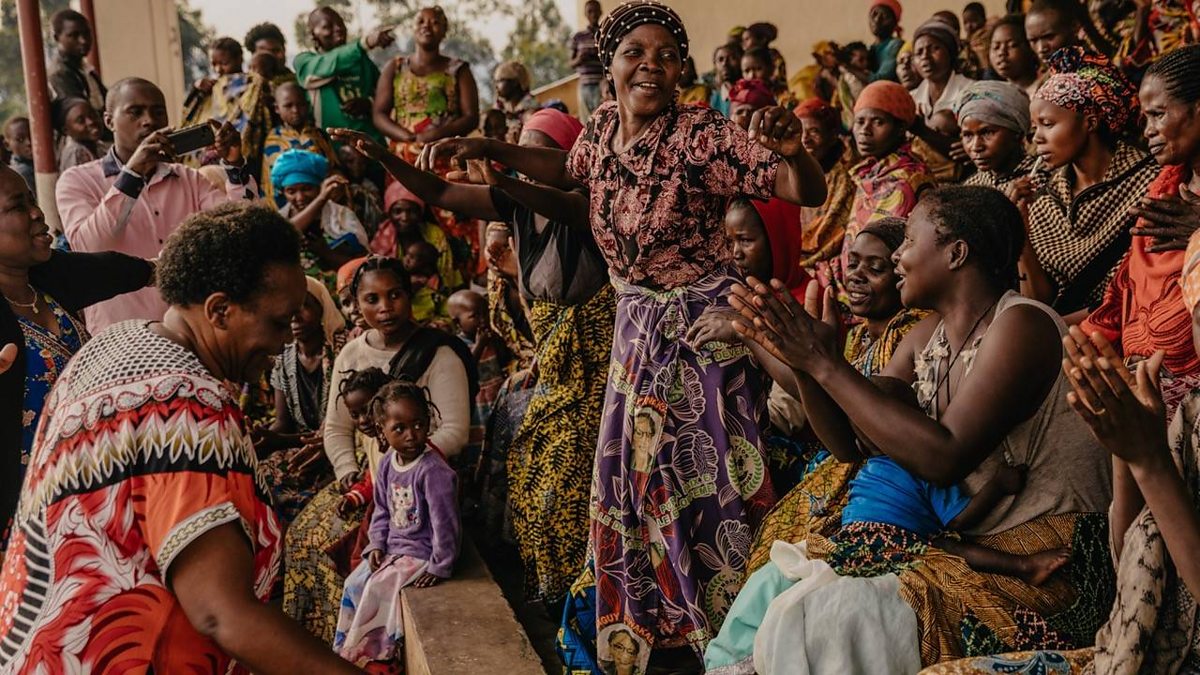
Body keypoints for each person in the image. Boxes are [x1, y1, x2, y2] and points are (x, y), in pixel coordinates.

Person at [419, 2, 827, 668]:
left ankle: (727, 635)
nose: (652, 66)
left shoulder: (701, 134)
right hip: (635, 329)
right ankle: (654, 624)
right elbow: (569, 170)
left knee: (703, 481)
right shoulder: (603, 125)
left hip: (702, 334)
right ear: (608, 63)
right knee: (633, 481)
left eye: (667, 55)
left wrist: (795, 151)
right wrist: (494, 150)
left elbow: (794, 186)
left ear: (681, 69)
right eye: (635, 51)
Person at [722, 186, 1113, 670]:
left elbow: (942, 459)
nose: (900, 255)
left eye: (907, 240)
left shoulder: (1023, 325)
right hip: (962, 544)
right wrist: (805, 365)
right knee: (780, 588)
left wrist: (823, 364)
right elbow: (851, 444)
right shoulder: (926, 334)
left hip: (1046, 560)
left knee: (827, 616)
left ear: (956, 253)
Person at [0, 201, 362, 673]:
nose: (286, 341)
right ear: (219, 310)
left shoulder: (117, 344)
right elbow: (220, 613)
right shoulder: (186, 405)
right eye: (277, 322)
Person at [336, 107, 614, 603]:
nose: (528, 163)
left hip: (602, 380)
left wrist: (495, 161)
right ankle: (557, 601)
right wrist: (384, 157)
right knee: (525, 472)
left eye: (539, 152)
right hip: (559, 380)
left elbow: (517, 190)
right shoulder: (519, 210)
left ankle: (590, 598)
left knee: (558, 482)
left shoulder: (585, 205)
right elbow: (440, 193)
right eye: (521, 149)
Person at [921, 194, 1200, 675]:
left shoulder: (1022, 323)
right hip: (1136, 637)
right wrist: (1126, 452)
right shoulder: (1192, 409)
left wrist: (1150, 461)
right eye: (1196, 310)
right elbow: (1129, 556)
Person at [283, 256, 472, 642]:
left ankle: (371, 649)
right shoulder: (352, 354)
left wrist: (402, 462)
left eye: (395, 295)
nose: (385, 308)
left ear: (410, 295)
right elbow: (335, 427)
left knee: (352, 554)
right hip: (368, 483)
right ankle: (323, 646)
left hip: (415, 489)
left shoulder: (439, 354)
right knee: (304, 539)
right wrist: (348, 472)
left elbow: (455, 431)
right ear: (356, 304)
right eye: (372, 299)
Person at [0, 165, 152, 551]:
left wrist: (169, 270)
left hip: (96, 496)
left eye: (33, 199)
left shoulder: (48, 280)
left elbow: (114, 270)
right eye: (19, 206)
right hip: (27, 524)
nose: (37, 212)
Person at [56, 77, 254, 334]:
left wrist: (235, 166)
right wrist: (133, 173)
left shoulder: (188, 178)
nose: (149, 120)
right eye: (135, 112)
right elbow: (91, 245)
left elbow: (241, 231)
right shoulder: (77, 181)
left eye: (157, 111)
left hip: (192, 337)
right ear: (108, 121)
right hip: (122, 340)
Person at [1076, 45, 1200, 417]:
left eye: (1159, 115)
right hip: (1143, 374)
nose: (1148, 132)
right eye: (1145, 118)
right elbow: (1128, 285)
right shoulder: (1164, 186)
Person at [1013, 46, 1157, 319]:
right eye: (1035, 128)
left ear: (1089, 122)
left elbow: (1137, 293)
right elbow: (1039, 302)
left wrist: (1055, 328)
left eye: (1047, 124)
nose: (1037, 138)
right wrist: (1020, 231)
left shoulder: (1148, 181)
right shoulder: (1045, 198)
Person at [334, 381, 460, 668]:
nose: (411, 435)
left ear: (428, 422)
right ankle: (348, 654)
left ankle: (379, 659)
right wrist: (377, 543)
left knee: (380, 586)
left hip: (420, 552)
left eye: (418, 424)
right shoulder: (390, 461)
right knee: (355, 582)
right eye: (399, 428)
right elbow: (381, 508)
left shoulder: (434, 472)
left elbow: (446, 524)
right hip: (393, 548)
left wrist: (440, 566)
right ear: (382, 431)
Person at [827, 81, 934, 297]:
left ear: (901, 127)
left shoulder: (909, 179)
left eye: (878, 121)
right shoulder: (868, 173)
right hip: (854, 281)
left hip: (884, 292)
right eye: (859, 122)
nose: (865, 131)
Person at [255, 275, 346, 525]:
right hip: (304, 445)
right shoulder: (284, 357)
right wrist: (263, 440)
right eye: (289, 307)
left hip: (340, 446)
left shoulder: (343, 350)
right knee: (257, 477)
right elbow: (282, 423)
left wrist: (280, 441)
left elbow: (345, 428)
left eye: (304, 305)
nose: (295, 315)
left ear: (322, 308)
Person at [373, 6, 479, 163]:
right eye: (420, 21)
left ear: (444, 30)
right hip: (403, 159)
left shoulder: (459, 70)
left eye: (435, 22)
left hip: (446, 155)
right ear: (413, 28)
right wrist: (409, 137)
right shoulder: (395, 67)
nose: (426, 26)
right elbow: (379, 114)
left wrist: (435, 136)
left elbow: (471, 117)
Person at [295, 7, 394, 142]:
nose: (338, 29)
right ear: (313, 34)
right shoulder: (305, 62)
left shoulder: (361, 61)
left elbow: (385, 96)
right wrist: (364, 43)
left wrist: (369, 103)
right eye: (327, 26)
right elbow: (327, 65)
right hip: (332, 149)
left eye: (340, 24)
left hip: (371, 144)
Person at [181, 37, 272, 180]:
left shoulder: (252, 85)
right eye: (214, 64)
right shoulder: (209, 87)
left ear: (239, 58)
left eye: (224, 63)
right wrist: (197, 88)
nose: (218, 69)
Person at [271, 149, 369, 277]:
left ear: (319, 187)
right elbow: (284, 233)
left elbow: (363, 265)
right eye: (291, 191)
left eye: (307, 189)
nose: (300, 197)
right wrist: (321, 199)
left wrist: (325, 253)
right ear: (283, 192)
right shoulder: (278, 220)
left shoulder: (341, 216)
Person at [793, 98, 854, 270]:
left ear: (832, 136)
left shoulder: (846, 176)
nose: (805, 139)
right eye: (800, 131)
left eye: (814, 131)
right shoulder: (793, 171)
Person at [370, 180, 462, 289]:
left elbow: (448, 274)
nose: (405, 218)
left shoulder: (434, 234)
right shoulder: (382, 240)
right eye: (398, 211)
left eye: (411, 211)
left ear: (420, 212)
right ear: (389, 213)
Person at [261, 81, 338, 207]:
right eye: (288, 106)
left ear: (307, 105)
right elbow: (270, 185)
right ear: (277, 108)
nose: (295, 110)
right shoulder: (273, 140)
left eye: (300, 105)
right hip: (287, 208)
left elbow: (333, 166)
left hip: (322, 202)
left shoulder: (319, 135)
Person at [723, 198, 810, 302]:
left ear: (777, 240)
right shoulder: (741, 297)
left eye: (746, 240)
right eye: (730, 242)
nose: (735, 254)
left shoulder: (813, 306)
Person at [958, 80, 1036, 193]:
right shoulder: (973, 186)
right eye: (968, 135)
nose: (976, 146)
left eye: (987, 133)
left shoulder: (1037, 183)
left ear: (1017, 134)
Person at [47, 9, 106, 112]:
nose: (83, 40)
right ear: (57, 38)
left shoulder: (84, 68)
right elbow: (80, 113)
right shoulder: (60, 74)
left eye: (86, 33)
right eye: (74, 35)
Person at [335, 144, 384, 237]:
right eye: (350, 161)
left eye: (362, 162)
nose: (357, 166)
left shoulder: (370, 186)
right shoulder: (338, 189)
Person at [990, 14, 1041, 97]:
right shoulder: (994, 95)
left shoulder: (1045, 92)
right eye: (996, 47)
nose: (1001, 52)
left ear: (1030, 46)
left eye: (1012, 45)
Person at [571, 0, 605, 119]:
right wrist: (580, 58)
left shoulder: (605, 34)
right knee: (586, 121)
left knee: (601, 118)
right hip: (584, 86)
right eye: (590, 11)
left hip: (602, 84)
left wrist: (598, 54)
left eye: (596, 11)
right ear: (585, 14)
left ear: (601, 12)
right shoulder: (578, 37)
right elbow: (571, 63)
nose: (593, 14)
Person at [54, 98, 106, 172]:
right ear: (66, 130)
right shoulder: (75, 153)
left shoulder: (97, 145)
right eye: (81, 121)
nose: (91, 122)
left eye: (93, 115)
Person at [493, 61, 540, 143]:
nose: (496, 86)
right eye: (495, 81)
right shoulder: (499, 109)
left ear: (514, 82)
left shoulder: (531, 109)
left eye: (500, 81)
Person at [244, 22, 298, 89]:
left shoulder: (301, 83)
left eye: (276, 50)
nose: (280, 56)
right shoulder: (242, 88)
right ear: (254, 56)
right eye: (265, 52)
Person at [741, 22, 787, 92]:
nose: (743, 44)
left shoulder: (773, 55)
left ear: (763, 39)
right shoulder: (746, 58)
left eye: (747, 39)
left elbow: (778, 77)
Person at [867, 0, 905, 82]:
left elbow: (881, 79)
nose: (877, 19)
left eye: (885, 16)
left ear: (895, 24)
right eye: (874, 14)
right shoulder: (870, 48)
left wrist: (848, 67)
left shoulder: (895, 45)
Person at [709, 44, 743, 117]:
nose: (725, 63)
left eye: (732, 58)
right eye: (720, 59)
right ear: (715, 65)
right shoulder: (715, 99)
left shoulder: (749, 93)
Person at [3, 118, 34, 197]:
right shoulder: (22, 173)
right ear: (7, 145)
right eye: (20, 139)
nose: (29, 143)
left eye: (32, 136)